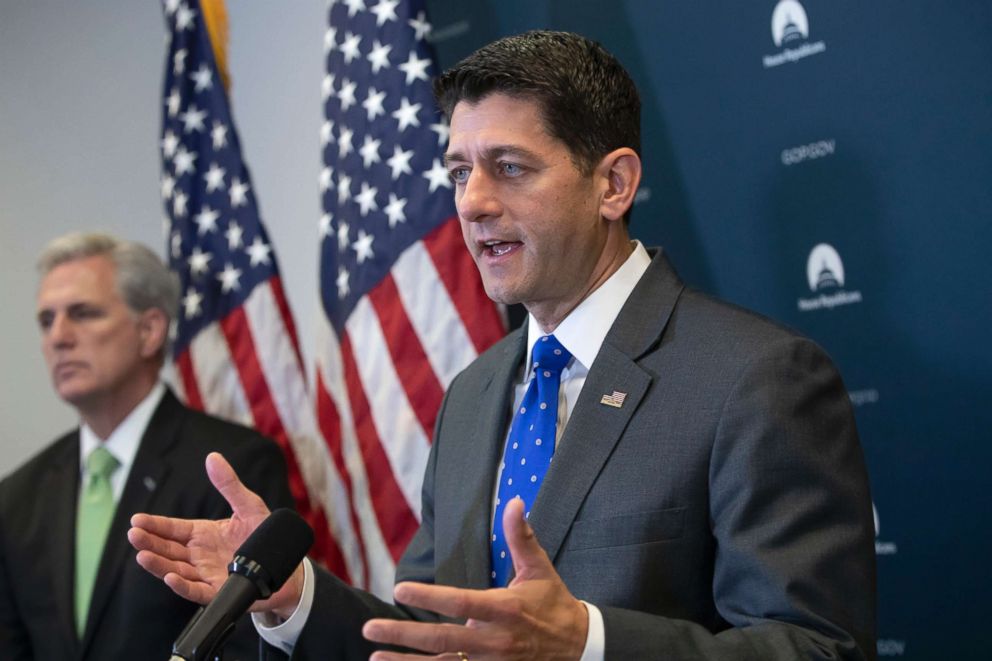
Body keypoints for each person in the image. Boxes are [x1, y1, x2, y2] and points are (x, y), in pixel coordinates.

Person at [129, 31, 876, 660]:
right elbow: (436, 637)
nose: (474, 201)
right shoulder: (475, 391)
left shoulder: (754, 377)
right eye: (459, 172)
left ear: (613, 184)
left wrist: (588, 641)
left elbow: (817, 646)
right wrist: (295, 597)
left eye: (510, 168)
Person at [0, 232, 294, 660]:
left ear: (150, 329)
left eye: (83, 313)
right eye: (46, 320)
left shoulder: (233, 467)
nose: (58, 336)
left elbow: (253, 644)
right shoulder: (16, 497)